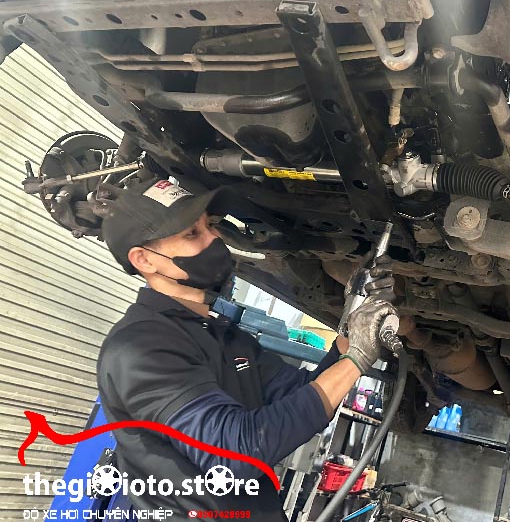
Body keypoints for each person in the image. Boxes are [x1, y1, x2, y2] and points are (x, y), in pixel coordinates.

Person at [96, 177, 395, 519]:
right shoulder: (139, 347)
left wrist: (352, 319)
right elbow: (233, 455)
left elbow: (304, 395)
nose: (214, 239)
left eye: (209, 226)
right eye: (192, 234)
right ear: (145, 260)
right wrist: (356, 358)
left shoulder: (223, 336)